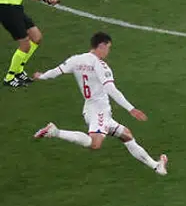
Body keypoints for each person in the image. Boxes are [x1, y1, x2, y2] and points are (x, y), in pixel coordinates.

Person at [31, 32, 168, 176]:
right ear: (101, 46)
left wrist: (42, 76)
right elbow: (110, 89)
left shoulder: (76, 59)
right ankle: (55, 132)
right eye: (108, 48)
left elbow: (56, 71)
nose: (108, 52)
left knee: (126, 135)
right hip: (99, 111)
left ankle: (156, 166)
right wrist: (131, 109)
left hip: (92, 108)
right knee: (95, 144)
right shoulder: (100, 65)